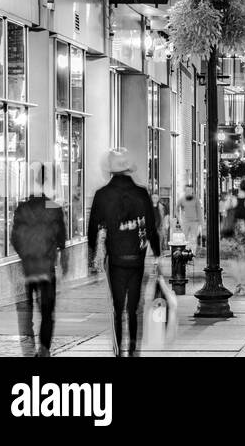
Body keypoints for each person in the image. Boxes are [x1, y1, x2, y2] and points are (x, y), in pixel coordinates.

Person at [87, 149, 161, 357]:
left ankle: (119, 351)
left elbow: (93, 227)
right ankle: (133, 350)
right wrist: (157, 253)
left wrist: (92, 255)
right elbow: (151, 227)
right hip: (136, 258)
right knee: (134, 307)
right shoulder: (141, 193)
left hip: (116, 258)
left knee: (118, 309)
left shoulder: (103, 195)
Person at [10, 170, 68, 357]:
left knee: (27, 312)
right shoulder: (53, 207)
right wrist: (60, 256)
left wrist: (25, 255)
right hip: (46, 267)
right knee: (47, 310)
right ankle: (44, 348)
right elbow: (61, 238)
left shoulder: (22, 207)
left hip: (29, 268)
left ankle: (29, 347)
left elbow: (14, 238)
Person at [174, 183, 202, 253]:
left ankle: (192, 254)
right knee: (184, 238)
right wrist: (179, 219)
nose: (188, 192)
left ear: (192, 191)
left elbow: (199, 211)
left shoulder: (196, 199)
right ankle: (185, 253)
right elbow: (176, 209)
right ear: (185, 191)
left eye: (190, 190)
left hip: (194, 222)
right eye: (187, 190)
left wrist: (201, 224)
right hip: (185, 222)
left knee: (193, 239)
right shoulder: (181, 199)